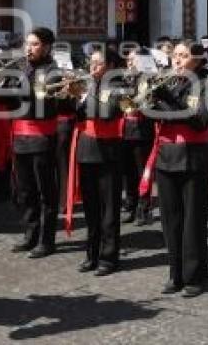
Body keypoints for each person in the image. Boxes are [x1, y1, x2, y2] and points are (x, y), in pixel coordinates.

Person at [142, 41, 208, 298]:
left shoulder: (206, 84)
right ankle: (176, 273)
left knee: (193, 219)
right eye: (175, 56)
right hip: (166, 155)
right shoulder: (168, 82)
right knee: (170, 219)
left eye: (183, 56)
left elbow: (200, 120)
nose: (178, 60)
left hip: (193, 157)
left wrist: (168, 101)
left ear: (197, 60)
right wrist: (150, 100)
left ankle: (194, 275)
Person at [0, 27, 62, 259]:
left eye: (34, 44)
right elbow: (11, 101)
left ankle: (47, 240)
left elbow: (41, 101)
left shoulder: (53, 71)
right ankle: (30, 234)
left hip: (42, 137)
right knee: (25, 190)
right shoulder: (21, 67)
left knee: (46, 191)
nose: (29, 48)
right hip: (21, 137)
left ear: (46, 47)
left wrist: (19, 85)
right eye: (28, 44)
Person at [68, 49, 125, 276]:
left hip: (108, 151)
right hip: (87, 148)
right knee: (90, 208)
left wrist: (83, 96)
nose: (92, 67)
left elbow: (107, 112)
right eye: (90, 63)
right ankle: (91, 254)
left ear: (110, 66)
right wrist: (72, 97)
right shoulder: (88, 84)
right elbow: (76, 114)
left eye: (98, 63)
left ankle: (109, 257)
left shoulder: (119, 86)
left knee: (109, 208)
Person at [120, 48, 155, 226]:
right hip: (125, 129)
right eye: (128, 60)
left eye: (133, 59)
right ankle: (131, 205)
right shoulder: (125, 78)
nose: (129, 63)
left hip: (142, 129)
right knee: (129, 172)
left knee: (143, 172)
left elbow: (150, 104)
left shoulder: (148, 78)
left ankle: (144, 208)